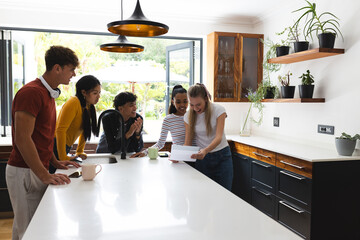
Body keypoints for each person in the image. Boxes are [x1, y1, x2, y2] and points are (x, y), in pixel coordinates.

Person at [6, 45, 81, 240]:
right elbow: (23, 139)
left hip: (36, 168)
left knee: (31, 229)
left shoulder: (48, 93)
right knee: (29, 231)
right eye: (71, 69)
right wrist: (44, 174)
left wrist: (54, 162)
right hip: (25, 170)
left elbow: (42, 136)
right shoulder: (32, 92)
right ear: (57, 68)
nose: (73, 74)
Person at [184, 83, 233, 190]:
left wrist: (205, 150)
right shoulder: (187, 116)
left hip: (222, 157)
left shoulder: (219, 110)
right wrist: (178, 157)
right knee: (204, 194)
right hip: (203, 161)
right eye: (192, 105)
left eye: (198, 104)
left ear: (206, 99)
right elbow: (188, 141)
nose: (195, 108)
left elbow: (218, 137)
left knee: (225, 194)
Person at [52, 75, 101, 171]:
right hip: (55, 146)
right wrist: (63, 156)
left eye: (99, 93)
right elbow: (60, 130)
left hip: (65, 147)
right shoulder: (73, 102)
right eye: (95, 93)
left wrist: (79, 151)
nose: (98, 96)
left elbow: (85, 130)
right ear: (84, 92)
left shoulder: (88, 106)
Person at [132, 85, 188, 158]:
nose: (182, 105)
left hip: (194, 157)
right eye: (178, 102)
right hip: (178, 157)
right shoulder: (168, 119)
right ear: (173, 102)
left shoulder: (193, 116)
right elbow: (161, 143)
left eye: (185, 101)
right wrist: (145, 152)